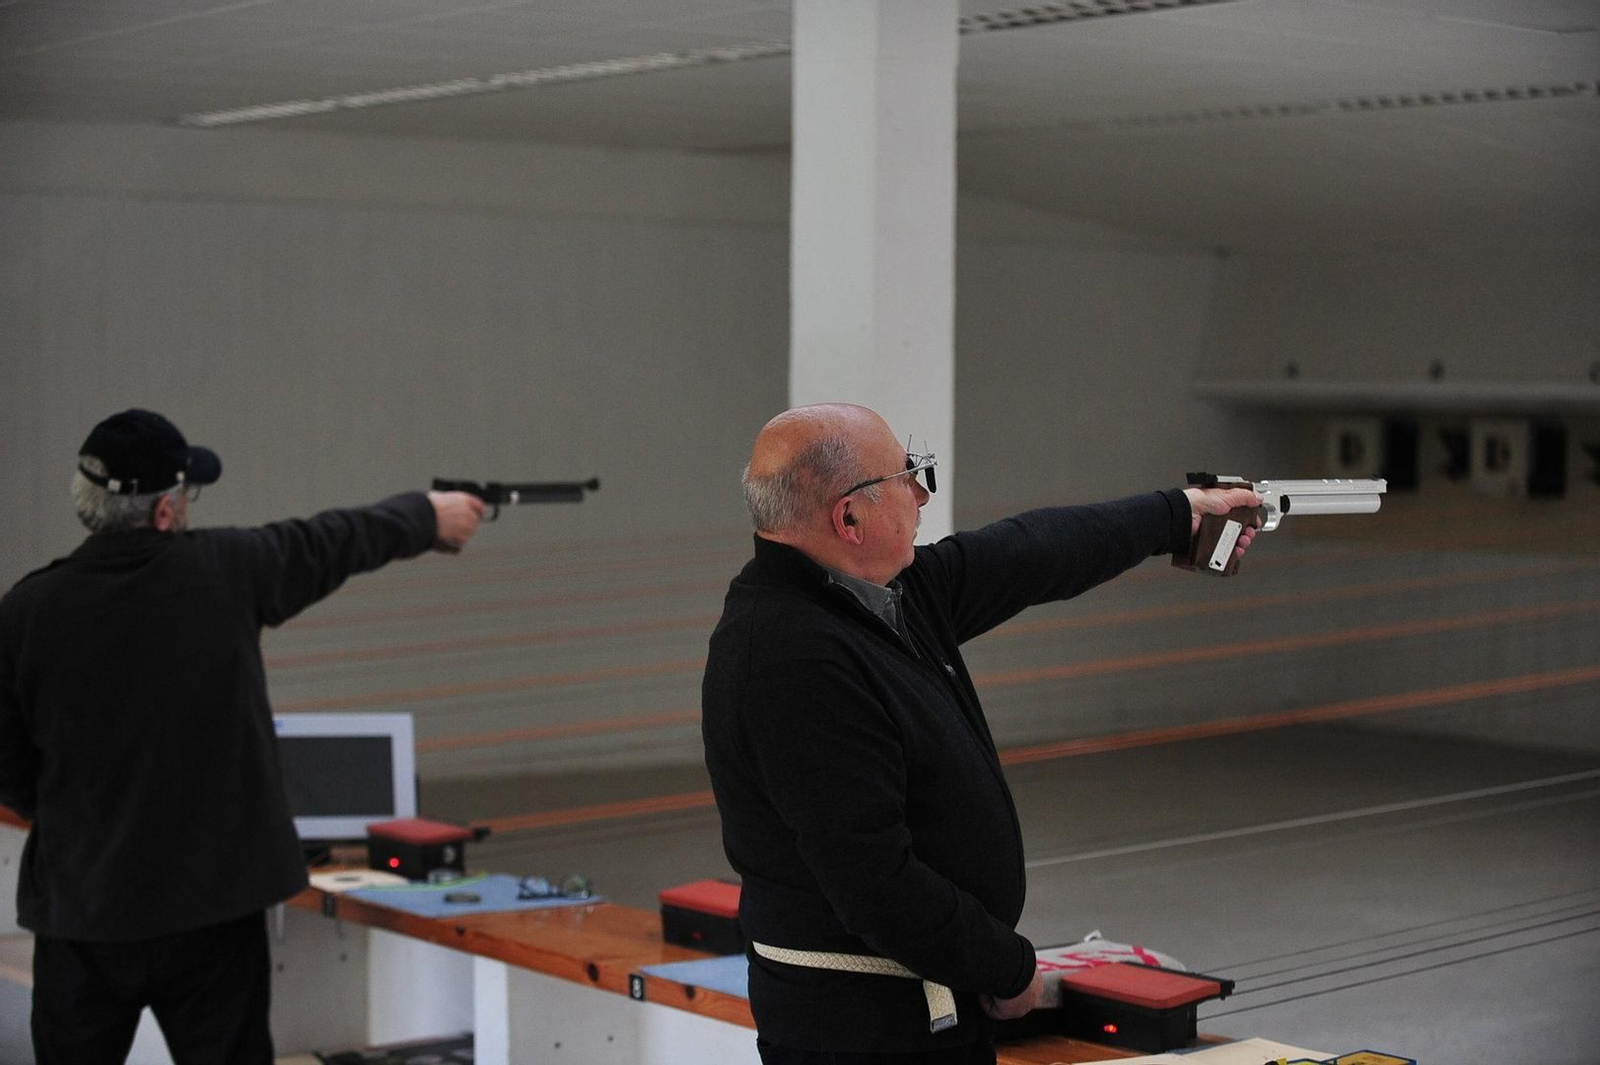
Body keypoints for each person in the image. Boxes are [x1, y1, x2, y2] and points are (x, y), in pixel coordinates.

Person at [701, 403, 1260, 1064]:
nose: (921, 494)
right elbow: (875, 880)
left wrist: (1180, 514)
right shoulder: (794, 656)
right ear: (848, 517)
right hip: (864, 1029)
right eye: (908, 477)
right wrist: (1007, 966)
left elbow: (1032, 550)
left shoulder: (876, 598)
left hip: (915, 1005)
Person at [0, 409, 487, 1065]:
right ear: (166, 511)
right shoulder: (226, 570)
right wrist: (426, 516)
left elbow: (9, 768)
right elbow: (336, 538)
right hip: (213, 916)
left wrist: (74, 823)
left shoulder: (27, 610)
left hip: (84, 915)